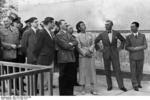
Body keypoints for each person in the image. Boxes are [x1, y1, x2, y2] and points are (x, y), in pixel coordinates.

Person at [95, 20, 127, 92]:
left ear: (111, 25)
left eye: (108, 25)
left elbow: (123, 40)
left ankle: (121, 86)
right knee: (107, 70)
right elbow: (95, 41)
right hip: (106, 54)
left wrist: (119, 48)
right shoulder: (102, 34)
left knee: (117, 70)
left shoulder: (116, 33)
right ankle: (109, 86)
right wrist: (99, 49)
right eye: (105, 25)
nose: (106, 26)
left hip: (114, 54)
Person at [56, 20, 78, 95]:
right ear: (60, 25)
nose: (66, 24)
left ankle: (70, 94)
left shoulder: (68, 33)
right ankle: (63, 94)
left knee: (70, 77)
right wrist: (71, 45)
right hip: (63, 59)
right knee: (63, 78)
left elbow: (76, 41)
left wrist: (70, 44)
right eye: (64, 23)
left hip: (71, 58)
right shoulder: (58, 35)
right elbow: (64, 46)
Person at [76, 21, 98, 95]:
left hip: (90, 55)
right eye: (82, 25)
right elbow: (78, 47)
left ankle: (93, 89)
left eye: (84, 24)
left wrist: (90, 51)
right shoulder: (77, 36)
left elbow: (94, 43)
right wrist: (85, 53)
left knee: (92, 71)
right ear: (79, 28)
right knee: (82, 72)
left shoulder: (90, 34)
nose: (84, 26)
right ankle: (82, 89)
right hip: (82, 56)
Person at [33, 17, 55, 91]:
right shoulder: (41, 32)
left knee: (47, 76)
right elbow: (37, 47)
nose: (54, 25)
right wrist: (39, 56)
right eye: (53, 23)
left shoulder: (50, 32)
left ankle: (45, 88)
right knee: (42, 77)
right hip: (43, 58)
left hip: (50, 58)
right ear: (49, 23)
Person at [125, 22, 147, 91]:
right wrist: (133, 49)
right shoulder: (128, 37)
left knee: (140, 71)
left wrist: (136, 48)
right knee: (133, 71)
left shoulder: (143, 36)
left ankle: (139, 83)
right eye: (131, 27)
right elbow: (126, 47)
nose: (131, 28)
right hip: (133, 57)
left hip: (141, 56)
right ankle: (135, 85)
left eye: (133, 27)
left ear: (137, 27)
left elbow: (145, 46)